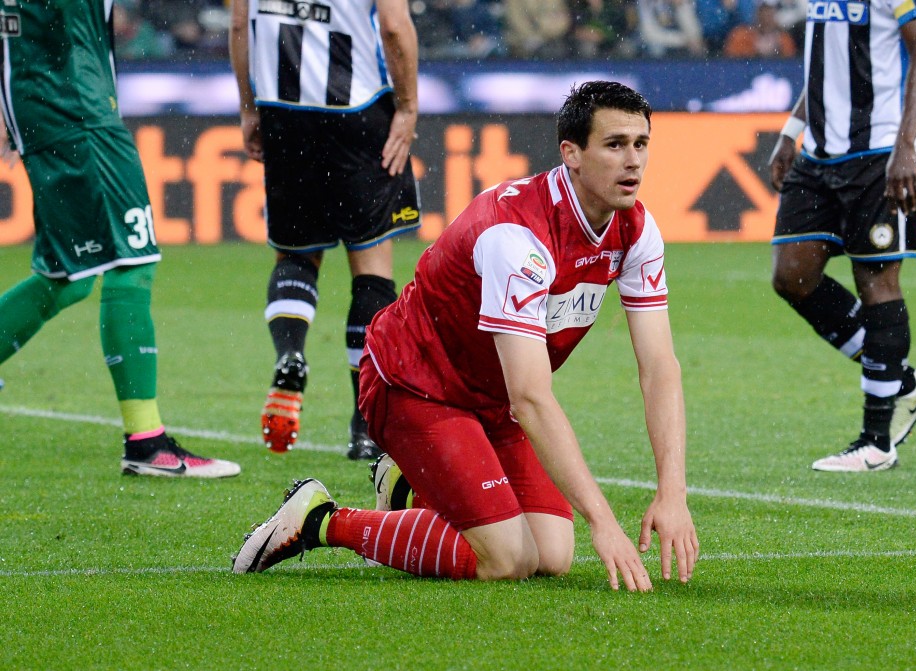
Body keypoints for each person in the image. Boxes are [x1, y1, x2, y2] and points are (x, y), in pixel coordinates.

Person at [233, 81, 699, 592]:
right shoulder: (517, 236)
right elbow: (531, 395)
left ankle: (407, 489)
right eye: (614, 144)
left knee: (552, 553)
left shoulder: (636, 229)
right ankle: (319, 519)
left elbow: (659, 367)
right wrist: (603, 521)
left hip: (490, 400)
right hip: (413, 386)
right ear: (571, 154)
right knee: (507, 559)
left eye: (641, 144)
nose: (633, 161)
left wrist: (672, 492)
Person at [0, 0, 239, 478]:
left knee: (66, 279)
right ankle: (146, 443)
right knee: (133, 262)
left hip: (45, 103)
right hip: (78, 110)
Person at [229, 0, 422, 459]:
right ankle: (365, 425)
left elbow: (239, 24)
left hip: (284, 110)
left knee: (296, 254)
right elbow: (394, 26)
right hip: (357, 109)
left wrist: (249, 107)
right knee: (371, 267)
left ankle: (290, 353)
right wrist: (408, 106)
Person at [768, 0, 916, 472]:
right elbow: (827, 64)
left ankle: (876, 442)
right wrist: (791, 130)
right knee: (792, 275)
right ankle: (902, 384)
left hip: (883, 148)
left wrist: (906, 147)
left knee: (876, 282)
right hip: (820, 152)